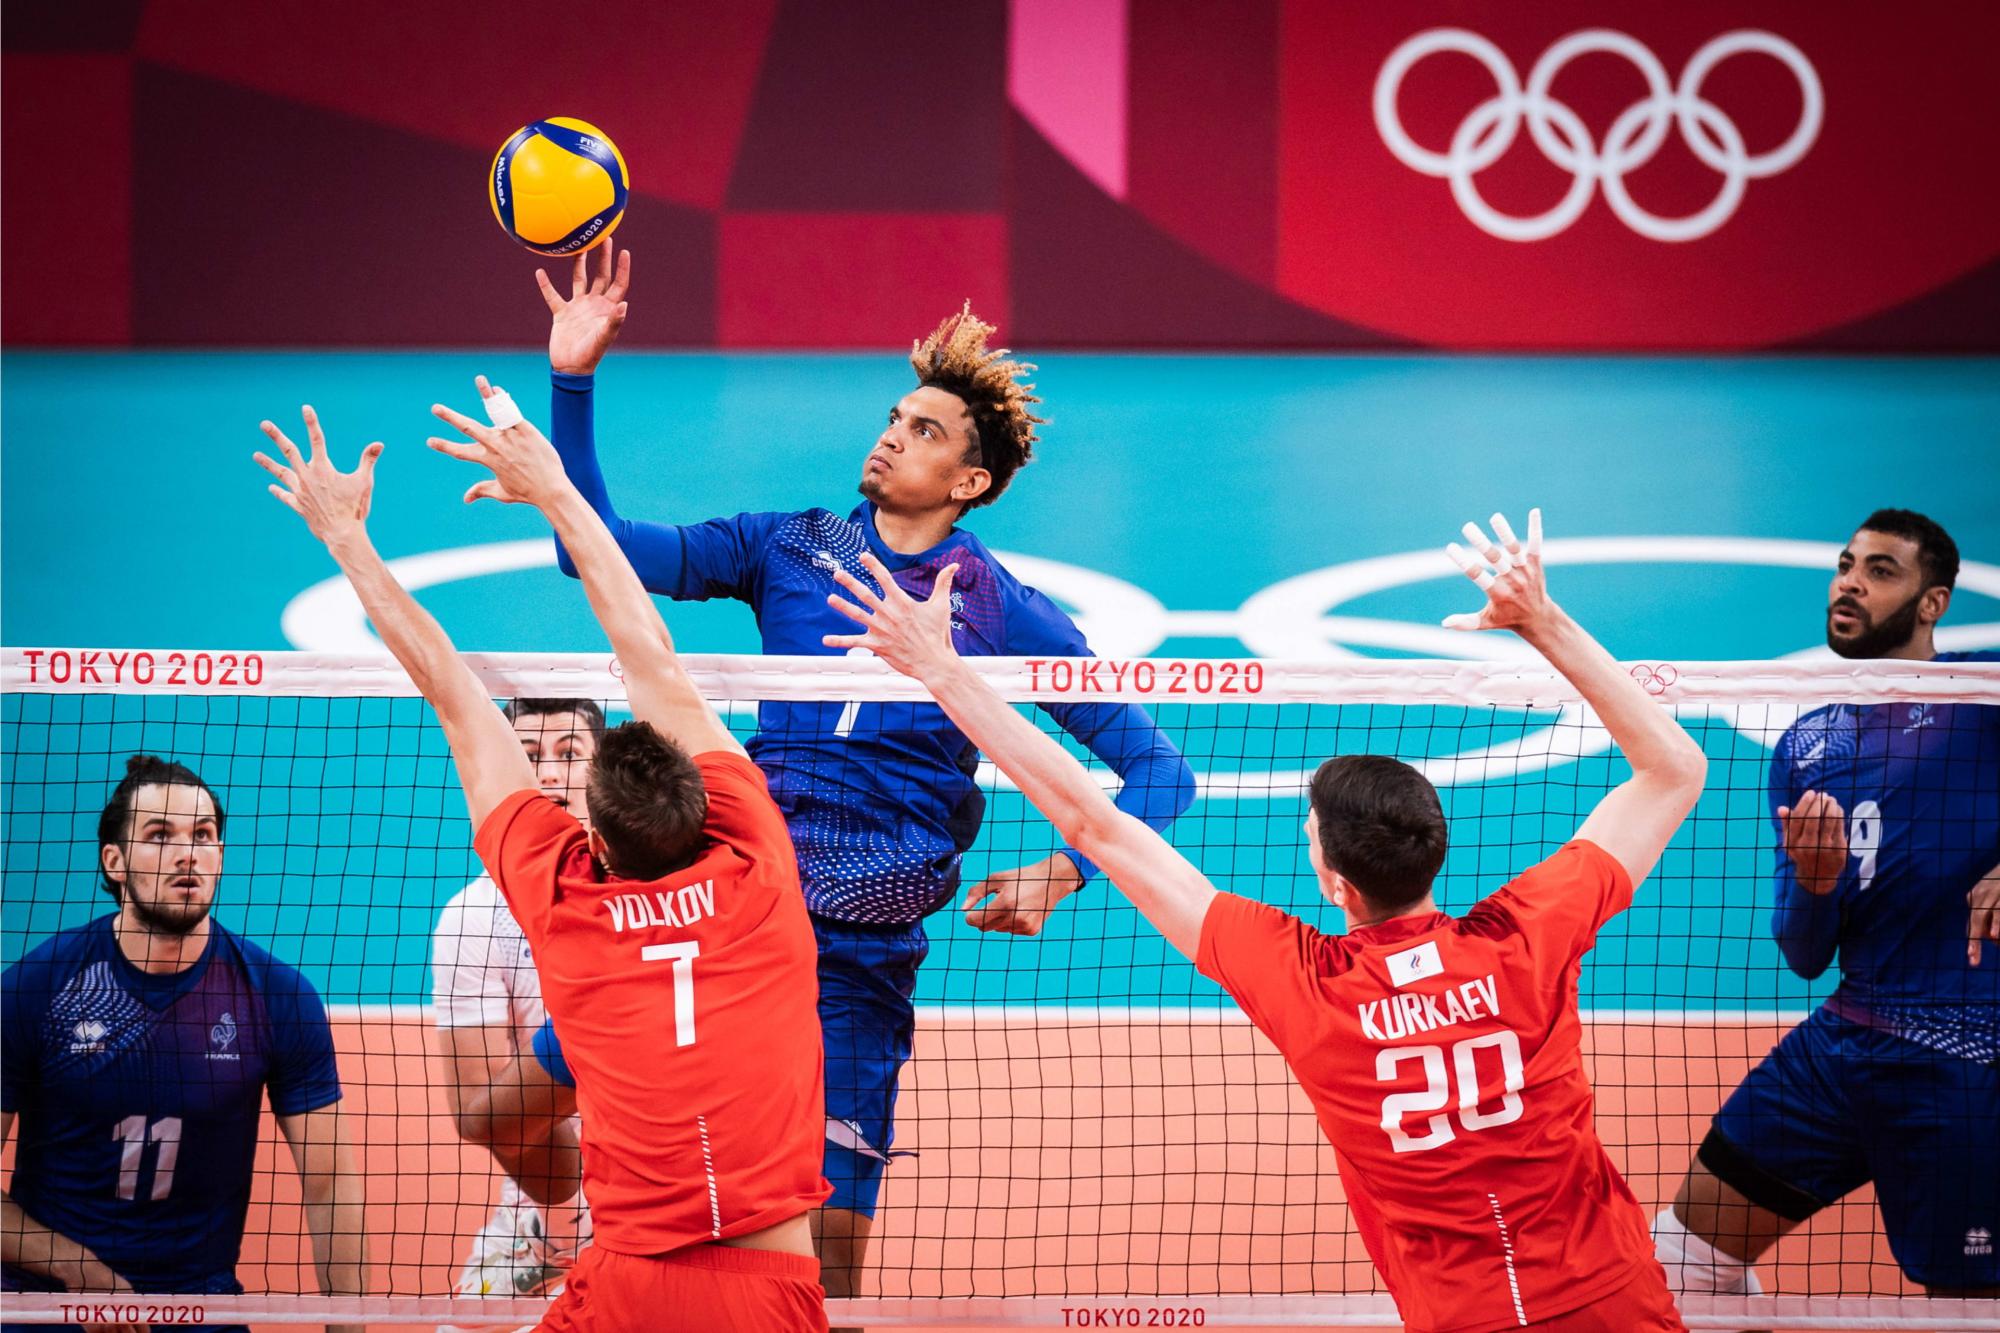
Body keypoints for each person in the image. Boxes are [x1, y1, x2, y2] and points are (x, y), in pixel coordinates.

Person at [823, 509, 1705, 1333]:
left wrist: (943, 672)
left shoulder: (1309, 984)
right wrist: (1541, 622)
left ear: (1332, 880)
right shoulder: (1528, 934)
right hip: (1620, 1298)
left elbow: (1096, 822)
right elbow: (1672, 769)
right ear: (1436, 845)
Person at [527, 239, 1196, 1297]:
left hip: (857, 956)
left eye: (923, 431)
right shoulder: (785, 545)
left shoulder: (1002, 611)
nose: (891, 436)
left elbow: (1160, 774)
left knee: (827, 1264)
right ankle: (535, 1227)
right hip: (724, 908)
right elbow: (590, 548)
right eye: (894, 417)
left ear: (968, 480)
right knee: (512, 1106)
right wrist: (573, 378)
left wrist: (1058, 871)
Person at [257, 398, 828, 1331]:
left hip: (629, 1284)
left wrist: (347, 538)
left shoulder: (566, 907)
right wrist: (561, 494)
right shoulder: (764, 867)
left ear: (592, 842)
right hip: (772, 1292)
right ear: (709, 802)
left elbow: (452, 692)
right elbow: (654, 658)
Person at [1654, 509, 2000, 1301]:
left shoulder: (1989, 695)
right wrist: (1815, 884)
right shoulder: (1813, 746)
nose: (1850, 581)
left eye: (1881, 570)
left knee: (1970, 1308)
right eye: (1847, 563)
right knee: (1680, 1259)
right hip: (1846, 1041)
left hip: (1968, 1054)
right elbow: (1805, 953)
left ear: (1932, 603)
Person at [1, 756, 367, 1333]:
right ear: (114, 862)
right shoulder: (37, 987)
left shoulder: (277, 996)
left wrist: (351, 1330)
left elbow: (330, 1187)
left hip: (200, 1307)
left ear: (220, 857)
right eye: (159, 836)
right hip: (51, 1305)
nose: (187, 853)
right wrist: (80, 1271)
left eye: (203, 836)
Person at [433, 698, 603, 1321]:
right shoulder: (474, 917)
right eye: (528, 758)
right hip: (546, 1188)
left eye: (568, 754)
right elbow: (485, 1112)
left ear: (602, 770)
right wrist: (567, 1216)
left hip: (663, 1188)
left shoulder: (655, 890)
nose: (550, 775)